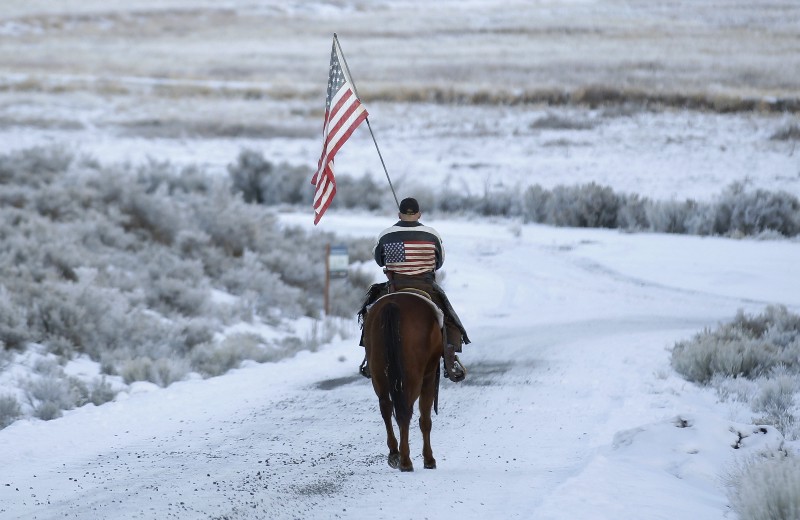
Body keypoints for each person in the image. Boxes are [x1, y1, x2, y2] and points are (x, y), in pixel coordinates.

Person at [357, 197, 469, 382]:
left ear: (399, 214)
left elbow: (379, 261)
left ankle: (370, 356)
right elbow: (439, 262)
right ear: (419, 214)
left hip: (394, 286)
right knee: (448, 317)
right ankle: (451, 359)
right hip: (425, 285)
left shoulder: (386, 234)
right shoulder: (432, 234)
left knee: (369, 313)